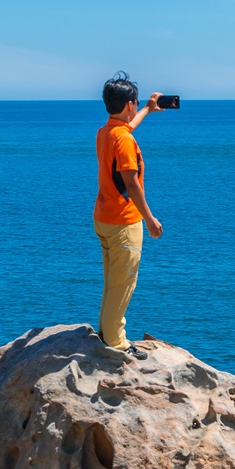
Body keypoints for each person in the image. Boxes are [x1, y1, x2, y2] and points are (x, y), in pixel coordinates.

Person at [94, 72, 165, 350]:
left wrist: (149, 108)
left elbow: (127, 128)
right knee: (123, 284)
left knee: (113, 281)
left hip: (104, 218)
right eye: (136, 102)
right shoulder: (123, 140)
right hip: (124, 222)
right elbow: (131, 183)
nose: (136, 106)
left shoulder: (106, 132)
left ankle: (105, 332)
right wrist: (150, 219)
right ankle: (116, 343)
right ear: (128, 104)